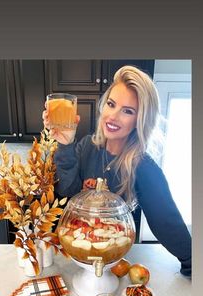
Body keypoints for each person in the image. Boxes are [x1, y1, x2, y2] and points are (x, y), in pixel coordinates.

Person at [42, 65, 191, 278]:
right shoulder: (87, 146)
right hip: (78, 255)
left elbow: (167, 222)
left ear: (140, 120)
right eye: (111, 104)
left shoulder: (143, 167)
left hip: (116, 260)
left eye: (127, 111)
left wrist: (192, 263)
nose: (112, 117)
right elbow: (68, 191)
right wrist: (65, 144)